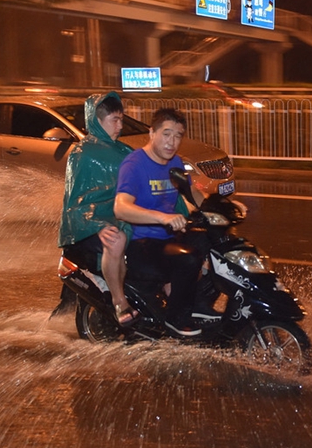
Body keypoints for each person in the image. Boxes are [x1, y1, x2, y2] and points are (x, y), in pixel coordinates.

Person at [114, 108, 207, 337]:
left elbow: (193, 193)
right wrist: (162, 217)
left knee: (214, 243)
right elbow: (121, 207)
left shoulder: (175, 162)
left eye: (177, 136)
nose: (172, 142)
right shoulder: (134, 164)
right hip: (142, 243)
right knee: (189, 257)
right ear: (152, 132)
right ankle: (176, 319)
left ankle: (197, 305)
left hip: (169, 236)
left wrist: (223, 209)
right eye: (166, 134)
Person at [57, 91, 138, 326]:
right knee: (116, 240)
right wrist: (97, 225)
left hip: (122, 218)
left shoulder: (124, 151)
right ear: (97, 120)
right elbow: (75, 202)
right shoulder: (82, 155)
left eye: (122, 119)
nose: (120, 125)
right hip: (87, 228)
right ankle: (119, 301)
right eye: (115, 120)